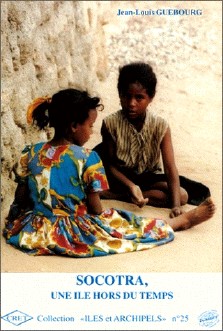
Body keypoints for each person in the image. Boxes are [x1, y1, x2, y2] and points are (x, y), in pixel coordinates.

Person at [3, 88, 215, 258]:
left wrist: (16, 221)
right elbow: (95, 210)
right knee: (124, 223)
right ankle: (180, 222)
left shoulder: (29, 153)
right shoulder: (88, 158)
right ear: (74, 126)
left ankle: (179, 221)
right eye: (90, 125)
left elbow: (20, 199)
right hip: (73, 232)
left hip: (35, 231)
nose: (92, 131)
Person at [95, 62, 210, 218]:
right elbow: (110, 165)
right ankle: (121, 193)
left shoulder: (160, 126)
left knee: (182, 196)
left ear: (151, 98)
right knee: (159, 194)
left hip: (148, 177)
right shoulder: (110, 124)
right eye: (127, 96)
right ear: (120, 94)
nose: (131, 103)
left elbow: (170, 168)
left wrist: (175, 207)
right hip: (120, 178)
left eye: (139, 98)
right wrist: (130, 186)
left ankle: (115, 195)